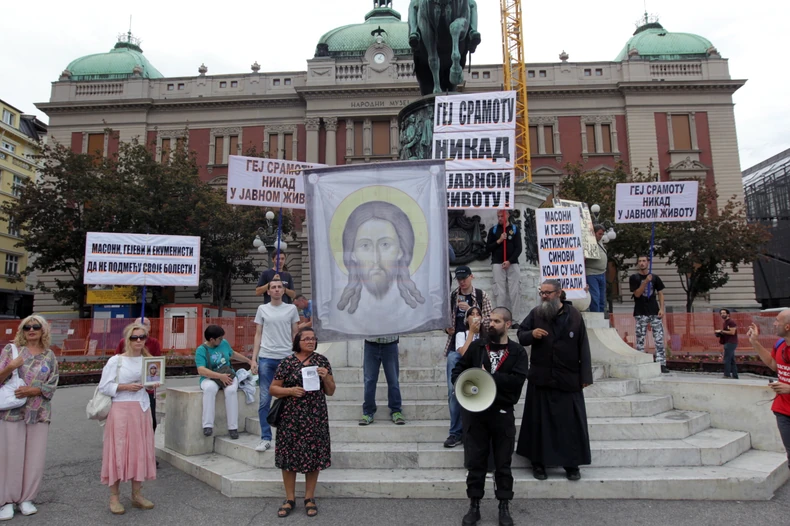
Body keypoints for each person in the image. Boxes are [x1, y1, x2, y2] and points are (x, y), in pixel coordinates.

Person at [452, 307, 528, 526]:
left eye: (496, 321)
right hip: (475, 415)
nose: (490, 324)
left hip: (502, 414)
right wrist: (468, 385)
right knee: (476, 462)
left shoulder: (517, 353)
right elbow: (457, 373)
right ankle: (474, 505)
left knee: (503, 463)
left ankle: (504, 506)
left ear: (507, 324)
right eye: (490, 320)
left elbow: (517, 381)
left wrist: (490, 379)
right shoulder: (476, 348)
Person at [516, 279, 593, 481]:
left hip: (568, 379)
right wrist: (531, 334)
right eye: (541, 292)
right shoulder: (536, 313)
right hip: (542, 378)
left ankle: (572, 465)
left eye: (548, 292)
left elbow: (583, 346)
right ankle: (538, 464)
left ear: (559, 293)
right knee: (539, 424)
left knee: (570, 425)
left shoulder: (575, 316)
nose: (544, 295)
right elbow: (521, 335)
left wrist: (585, 376)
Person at [269, 328, 335, 518]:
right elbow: (273, 389)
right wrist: (290, 391)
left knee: (313, 457)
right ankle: (289, 498)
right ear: (297, 341)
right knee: (288, 457)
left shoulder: (321, 361)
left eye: (313, 339)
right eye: (306, 338)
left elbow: (330, 391)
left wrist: (326, 377)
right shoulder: (287, 362)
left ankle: (309, 497)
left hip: (315, 417)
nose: (310, 341)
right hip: (291, 418)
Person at [0, 315, 59, 520]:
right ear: (22, 330)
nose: (31, 330)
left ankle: (27, 499)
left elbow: (53, 382)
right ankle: (7, 500)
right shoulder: (12, 350)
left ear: (43, 331)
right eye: (27, 327)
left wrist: (35, 389)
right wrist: (11, 366)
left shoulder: (49, 355)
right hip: (12, 412)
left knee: (34, 457)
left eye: (36, 327)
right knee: (10, 456)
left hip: (39, 411)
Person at [98, 323, 158, 515]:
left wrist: (153, 384)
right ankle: (114, 497)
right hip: (121, 408)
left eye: (142, 337)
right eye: (135, 337)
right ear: (127, 340)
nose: (139, 340)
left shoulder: (148, 360)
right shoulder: (116, 361)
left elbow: (152, 382)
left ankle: (137, 494)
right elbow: (104, 387)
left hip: (141, 408)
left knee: (139, 451)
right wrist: (124, 387)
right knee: (118, 450)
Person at [336, 201, 425, 315]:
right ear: (352, 254)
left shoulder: (413, 314)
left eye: (385, 245)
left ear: (401, 251)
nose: (376, 259)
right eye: (365, 245)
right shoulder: (340, 301)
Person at [443, 265, 493, 448]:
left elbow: (491, 321)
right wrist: (447, 328)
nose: (462, 281)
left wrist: (472, 309)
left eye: (465, 278)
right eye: (459, 279)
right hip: (457, 348)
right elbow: (446, 320)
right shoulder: (452, 296)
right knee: (453, 390)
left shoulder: (482, 295)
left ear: (472, 277)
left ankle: (475, 430)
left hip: (479, 348)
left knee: (481, 388)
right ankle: (455, 432)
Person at [252, 279, 300, 452]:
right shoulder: (262, 309)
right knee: (265, 399)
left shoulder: (291, 309)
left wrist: (298, 356)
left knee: (291, 397)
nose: (277, 290)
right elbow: (258, 334)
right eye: (273, 287)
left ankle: (291, 435)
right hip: (266, 357)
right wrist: (253, 359)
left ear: (284, 290)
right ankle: (265, 437)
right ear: (268, 291)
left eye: (280, 287)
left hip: (286, 357)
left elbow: (296, 333)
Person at [195, 324, 257, 438]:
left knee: (231, 391)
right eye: (219, 338)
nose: (222, 340)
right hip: (210, 377)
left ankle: (233, 427)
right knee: (210, 389)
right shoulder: (201, 350)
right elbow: (201, 370)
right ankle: (207, 425)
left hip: (228, 375)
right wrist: (219, 376)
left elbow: (232, 354)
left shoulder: (224, 343)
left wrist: (249, 361)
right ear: (211, 339)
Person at [749, 310, 790, 464]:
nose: (774, 324)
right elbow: (774, 365)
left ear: (787, 327)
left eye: (777, 321)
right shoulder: (779, 345)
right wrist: (755, 342)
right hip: (783, 410)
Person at [115, 317, 162, 432]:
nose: (138, 340)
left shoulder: (154, 343)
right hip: (124, 396)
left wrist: (154, 381)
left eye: (145, 324)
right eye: (134, 337)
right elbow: (116, 365)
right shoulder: (122, 345)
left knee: (150, 422)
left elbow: (156, 365)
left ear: (149, 328)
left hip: (147, 391)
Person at [629, 255, 668, 373]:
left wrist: (661, 308)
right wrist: (645, 282)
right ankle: (641, 362)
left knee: (659, 337)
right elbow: (637, 294)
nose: (642, 263)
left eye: (644, 261)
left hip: (654, 311)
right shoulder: (634, 278)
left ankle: (662, 363)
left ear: (648, 262)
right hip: (641, 312)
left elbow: (661, 293)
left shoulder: (655, 278)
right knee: (640, 338)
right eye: (640, 261)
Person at [359, 334, 405, 426]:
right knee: (369, 380)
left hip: (390, 343)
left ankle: (396, 411)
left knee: (393, 379)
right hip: (371, 342)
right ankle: (368, 412)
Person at [486, 209, 523, 322]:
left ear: (507, 215)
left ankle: (515, 319)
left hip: (512, 264)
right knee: (500, 292)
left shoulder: (514, 230)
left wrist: (510, 261)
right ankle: (500, 318)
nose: (500, 218)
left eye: (502, 216)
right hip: (497, 263)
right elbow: (488, 248)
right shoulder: (494, 230)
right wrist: (500, 240)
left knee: (515, 292)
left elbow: (519, 248)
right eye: (498, 216)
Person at [585, 225, 608, 313]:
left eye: (602, 234)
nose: (601, 236)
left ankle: (601, 315)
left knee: (602, 298)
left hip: (602, 273)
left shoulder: (600, 242)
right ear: (594, 233)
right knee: (595, 296)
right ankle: (596, 314)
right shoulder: (588, 242)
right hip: (591, 273)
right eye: (599, 234)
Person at [716, 309, 739, 379]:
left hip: (731, 342)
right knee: (731, 359)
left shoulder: (731, 322)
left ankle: (727, 374)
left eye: (724, 313)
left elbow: (732, 332)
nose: (722, 314)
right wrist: (720, 333)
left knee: (727, 359)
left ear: (728, 314)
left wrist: (721, 331)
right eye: (721, 313)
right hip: (728, 342)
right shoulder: (725, 322)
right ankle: (735, 375)